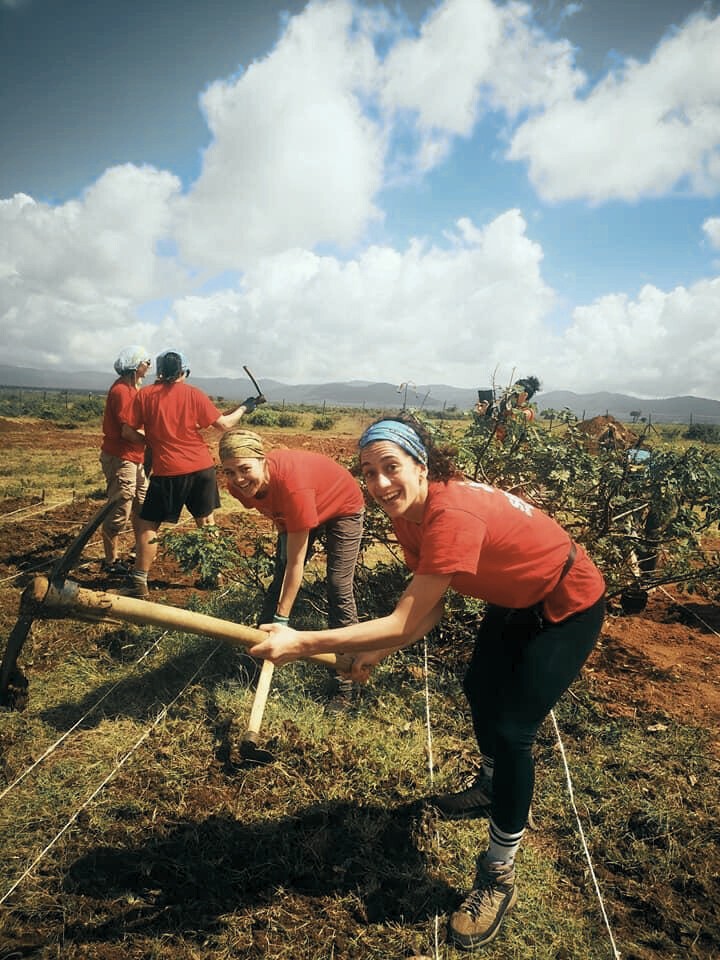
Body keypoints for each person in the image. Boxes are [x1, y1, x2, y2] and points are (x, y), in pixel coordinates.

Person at [248, 416, 606, 950]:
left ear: (421, 463)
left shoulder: (450, 512)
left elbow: (400, 620)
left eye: (390, 467)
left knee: (512, 730)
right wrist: (373, 651)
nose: (379, 484)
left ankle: (498, 871)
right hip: (515, 599)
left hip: (566, 602)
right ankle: (492, 787)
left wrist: (301, 643)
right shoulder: (408, 515)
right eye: (367, 472)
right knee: (478, 686)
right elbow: (423, 613)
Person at [218, 429, 365, 703]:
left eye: (244, 468)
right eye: (229, 471)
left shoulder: (292, 486)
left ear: (263, 461)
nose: (238, 478)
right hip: (300, 507)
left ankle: (347, 683)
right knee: (278, 584)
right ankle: (254, 664)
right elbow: (276, 512)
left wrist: (282, 621)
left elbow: (297, 564)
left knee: (338, 586)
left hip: (342, 504)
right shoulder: (238, 488)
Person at [121, 350, 265, 597]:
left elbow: (127, 432)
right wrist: (245, 407)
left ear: (160, 371)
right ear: (183, 372)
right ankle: (214, 576)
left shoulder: (145, 396)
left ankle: (139, 582)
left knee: (148, 526)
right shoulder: (194, 394)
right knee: (206, 523)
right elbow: (223, 424)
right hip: (201, 468)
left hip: (167, 471)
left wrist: (151, 443)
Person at [99, 345, 152, 576]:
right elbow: (127, 432)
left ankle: (138, 553)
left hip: (134, 457)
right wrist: (154, 442)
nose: (149, 364)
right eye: (146, 361)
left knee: (142, 504)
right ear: (136, 365)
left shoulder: (134, 388)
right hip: (121, 457)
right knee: (120, 508)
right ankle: (110, 561)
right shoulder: (122, 391)